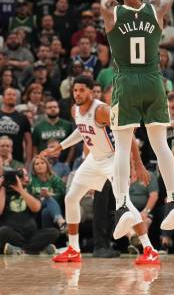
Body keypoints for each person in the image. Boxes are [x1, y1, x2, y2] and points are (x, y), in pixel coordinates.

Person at [100, 0, 174, 237]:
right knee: (161, 144)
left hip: (125, 80)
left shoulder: (111, 9)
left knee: (122, 147)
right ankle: (173, 201)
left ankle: (122, 205)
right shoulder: (155, 9)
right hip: (152, 79)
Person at [41, 75, 158, 265]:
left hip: (113, 160)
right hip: (94, 159)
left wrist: (137, 164)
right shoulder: (74, 109)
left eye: (81, 90)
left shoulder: (102, 111)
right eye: (75, 90)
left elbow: (127, 132)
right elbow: (81, 129)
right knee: (71, 198)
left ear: (90, 91)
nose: (77, 94)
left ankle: (149, 249)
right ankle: (73, 249)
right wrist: (60, 147)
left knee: (124, 203)